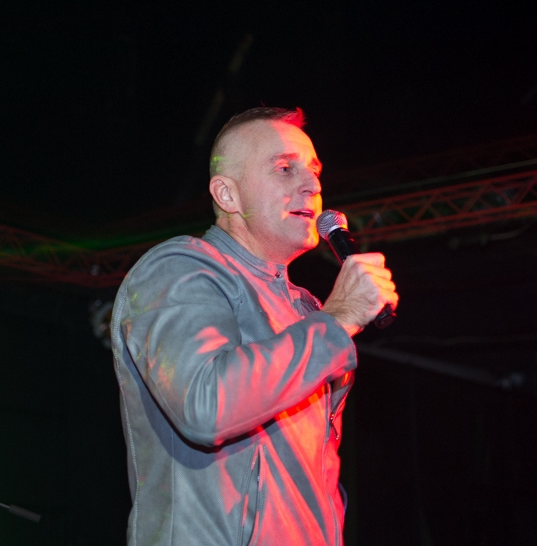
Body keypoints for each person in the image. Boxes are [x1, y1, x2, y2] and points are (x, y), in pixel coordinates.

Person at [110, 107, 398, 545]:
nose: (312, 185)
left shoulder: (307, 311)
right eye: (285, 168)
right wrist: (337, 319)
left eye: (315, 171)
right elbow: (206, 406)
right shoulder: (179, 268)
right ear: (227, 195)